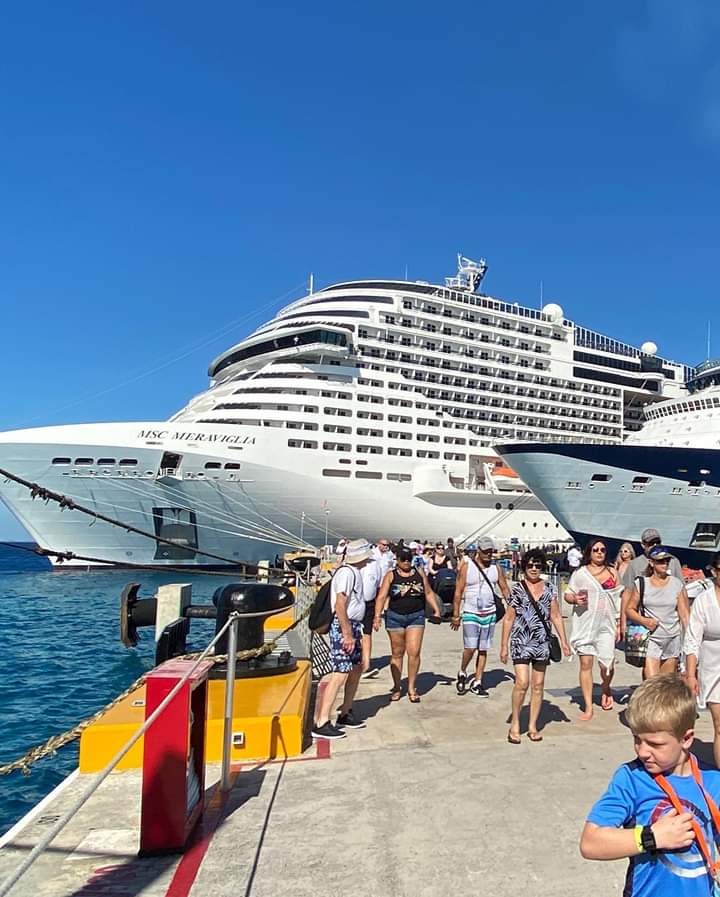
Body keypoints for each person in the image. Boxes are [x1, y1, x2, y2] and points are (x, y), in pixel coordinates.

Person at [580, 675, 720, 896]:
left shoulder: (712, 781)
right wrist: (652, 836)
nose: (643, 752)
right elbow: (590, 842)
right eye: (637, 739)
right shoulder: (632, 778)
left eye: (655, 744)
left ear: (686, 739)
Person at [500, 549, 570, 743]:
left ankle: (532, 726)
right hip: (521, 640)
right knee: (522, 682)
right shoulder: (517, 589)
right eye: (530, 565)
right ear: (524, 567)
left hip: (541, 641)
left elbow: (555, 615)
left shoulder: (549, 589)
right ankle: (515, 722)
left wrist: (564, 641)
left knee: (538, 685)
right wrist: (504, 646)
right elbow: (508, 618)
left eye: (537, 565)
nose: (534, 568)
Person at [312, 538, 372, 740]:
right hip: (344, 626)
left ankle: (345, 711)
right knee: (340, 673)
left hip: (353, 625)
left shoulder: (352, 572)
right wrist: (347, 634)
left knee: (355, 669)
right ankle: (321, 721)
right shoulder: (346, 573)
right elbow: (340, 603)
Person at [373, 546, 441, 702]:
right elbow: (382, 596)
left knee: (414, 652)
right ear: (397, 560)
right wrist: (377, 616)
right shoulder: (391, 576)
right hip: (395, 617)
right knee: (397, 653)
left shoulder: (419, 572)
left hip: (416, 616)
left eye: (408, 559)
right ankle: (397, 686)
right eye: (402, 559)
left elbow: (428, 592)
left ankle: (411, 687)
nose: (406, 562)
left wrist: (436, 610)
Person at [565, 537, 623, 720]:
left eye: (602, 550)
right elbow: (568, 594)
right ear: (589, 552)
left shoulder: (613, 572)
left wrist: (620, 623)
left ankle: (606, 687)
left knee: (607, 664)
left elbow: (619, 599)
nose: (599, 552)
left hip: (607, 624)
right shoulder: (580, 573)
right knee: (585, 664)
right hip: (586, 623)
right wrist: (574, 600)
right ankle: (588, 706)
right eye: (595, 549)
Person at [451, 537, 510, 697]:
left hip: (489, 613)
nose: (489, 554)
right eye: (485, 552)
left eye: (491, 551)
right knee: (470, 648)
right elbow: (458, 591)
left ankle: (477, 682)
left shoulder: (496, 568)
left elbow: (504, 588)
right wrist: (456, 615)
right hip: (470, 612)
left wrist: (513, 606)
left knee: (483, 649)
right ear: (478, 550)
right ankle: (462, 670)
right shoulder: (467, 566)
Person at [625, 545, 690, 679]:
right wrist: (644, 621)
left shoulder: (676, 584)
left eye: (666, 560)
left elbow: (684, 614)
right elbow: (629, 609)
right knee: (652, 681)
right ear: (651, 562)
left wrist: (691, 638)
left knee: (666, 684)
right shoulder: (642, 583)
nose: (664, 563)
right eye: (660, 561)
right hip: (651, 638)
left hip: (672, 638)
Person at [685, 551, 720, 767]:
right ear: (715, 572)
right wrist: (690, 674)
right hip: (713, 668)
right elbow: (692, 640)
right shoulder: (703, 601)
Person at [620, 528, 683, 636]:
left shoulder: (673, 561)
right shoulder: (635, 565)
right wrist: (622, 623)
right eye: (650, 543)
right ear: (643, 545)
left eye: (657, 542)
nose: (654, 545)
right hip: (644, 624)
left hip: (671, 623)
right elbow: (627, 594)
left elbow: (682, 593)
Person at [360, 550, 383, 680]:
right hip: (355, 603)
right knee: (355, 633)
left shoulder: (375, 564)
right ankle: (357, 662)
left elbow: (378, 585)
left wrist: (378, 612)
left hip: (369, 603)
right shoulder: (351, 565)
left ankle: (366, 664)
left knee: (367, 633)